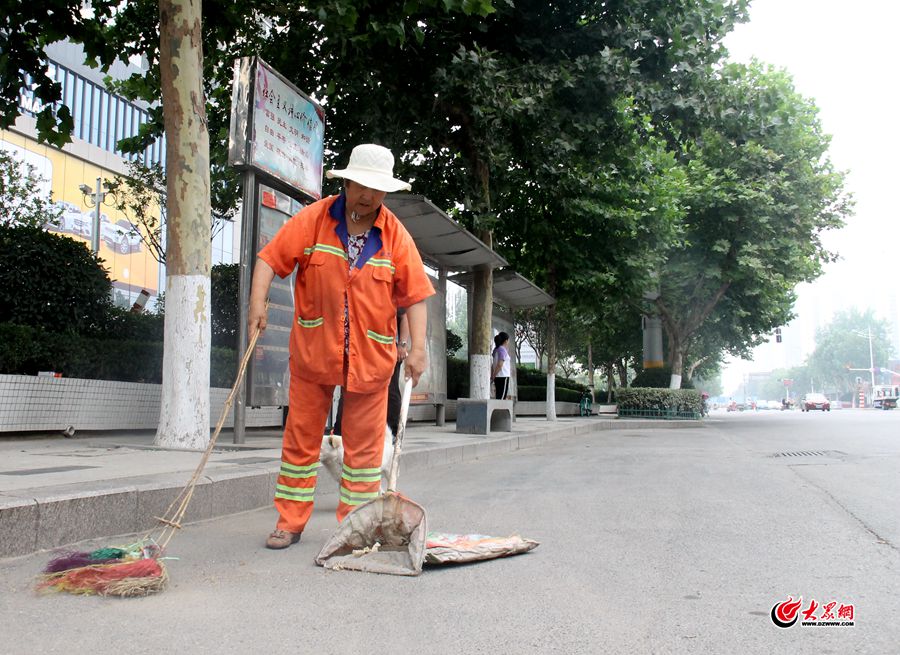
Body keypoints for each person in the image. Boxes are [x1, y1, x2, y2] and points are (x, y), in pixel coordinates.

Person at [248, 143, 435, 550]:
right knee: (300, 440)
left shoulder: (395, 236)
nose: (368, 196)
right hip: (314, 354)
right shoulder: (313, 220)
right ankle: (289, 521)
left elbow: (416, 295)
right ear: (347, 181)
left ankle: (356, 526)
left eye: (377, 189)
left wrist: (417, 349)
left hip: (371, 361)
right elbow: (269, 259)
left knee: (365, 455)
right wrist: (256, 306)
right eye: (362, 186)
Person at [490, 332, 511, 400]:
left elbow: (493, 364)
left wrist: (493, 375)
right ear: (506, 341)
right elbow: (499, 364)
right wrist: (494, 375)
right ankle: (498, 410)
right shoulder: (502, 349)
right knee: (501, 398)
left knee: (498, 397)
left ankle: (497, 410)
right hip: (503, 376)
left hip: (498, 377)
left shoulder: (496, 349)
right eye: (508, 340)